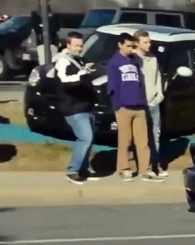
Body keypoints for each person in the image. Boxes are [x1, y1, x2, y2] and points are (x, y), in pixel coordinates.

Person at [107, 33, 162, 182]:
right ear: (120, 45)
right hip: (123, 107)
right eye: (128, 46)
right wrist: (117, 106)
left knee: (143, 141)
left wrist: (143, 101)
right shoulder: (114, 63)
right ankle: (124, 169)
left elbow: (141, 82)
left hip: (140, 106)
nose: (131, 49)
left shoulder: (135, 61)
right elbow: (112, 87)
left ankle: (146, 169)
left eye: (133, 46)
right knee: (125, 140)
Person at [55, 32, 99, 184]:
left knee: (90, 139)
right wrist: (82, 73)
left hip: (86, 106)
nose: (79, 48)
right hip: (73, 108)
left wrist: (86, 70)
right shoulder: (63, 61)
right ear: (68, 45)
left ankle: (83, 169)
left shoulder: (78, 60)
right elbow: (65, 81)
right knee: (85, 138)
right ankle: (72, 170)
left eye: (81, 45)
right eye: (76, 45)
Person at [132, 30, 167, 178]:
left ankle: (155, 165)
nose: (149, 44)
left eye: (149, 41)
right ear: (136, 43)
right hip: (140, 103)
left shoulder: (153, 58)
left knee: (155, 135)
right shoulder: (133, 59)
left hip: (154, 102)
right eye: (145, 42)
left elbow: (157, 76)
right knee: (141, 137)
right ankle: (143, 166)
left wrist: (160, 94)